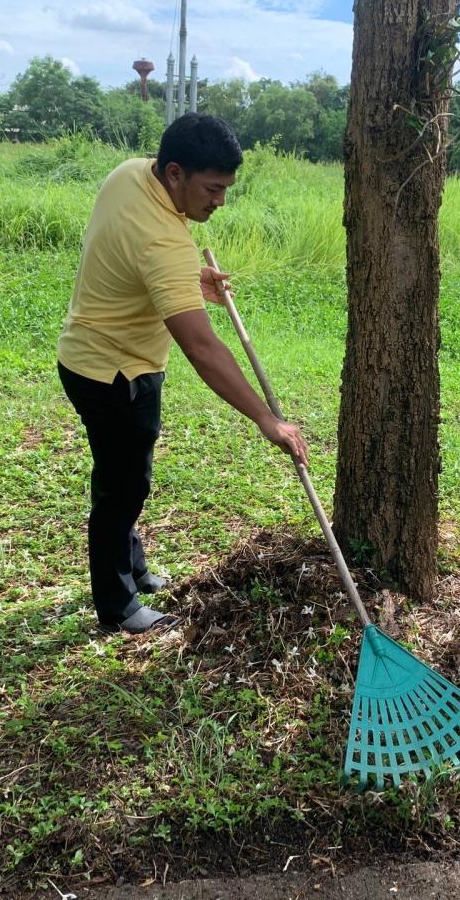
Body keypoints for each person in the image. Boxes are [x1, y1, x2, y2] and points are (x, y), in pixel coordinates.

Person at [57, 113, 309, 634]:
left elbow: (128, 252)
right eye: (213, 188)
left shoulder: (129, 175)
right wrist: (267, 420)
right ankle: (118, 605)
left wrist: (187, 281)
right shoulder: (166, 241)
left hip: (84, 356)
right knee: (123, 487)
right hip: (117, 373)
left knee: (122, 472)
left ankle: (135, 570)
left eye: (226, 189)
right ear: (175, 173)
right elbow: (199, 345)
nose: (220, 201)